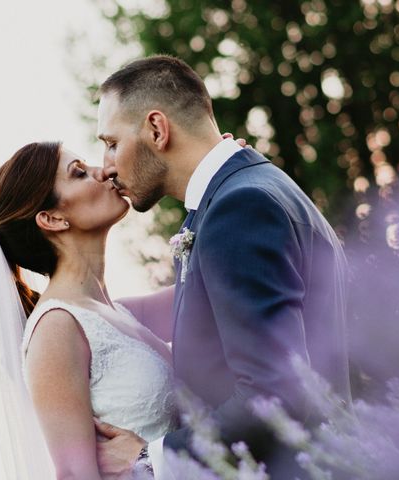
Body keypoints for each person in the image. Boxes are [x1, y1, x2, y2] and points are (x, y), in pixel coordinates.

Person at [92, 55, 351, 478]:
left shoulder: (240, 208)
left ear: (157, 129)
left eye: (112, 143)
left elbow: (274, 394)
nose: (105, 166)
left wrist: (150, 460)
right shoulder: (252, 190)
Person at [0, 142, 180, 479]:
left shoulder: (120, 314)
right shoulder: (56, 329)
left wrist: (218, 170)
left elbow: (217, 290)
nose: (103, 171)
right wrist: (149, 463)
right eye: (79, 172)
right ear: (52, 218)